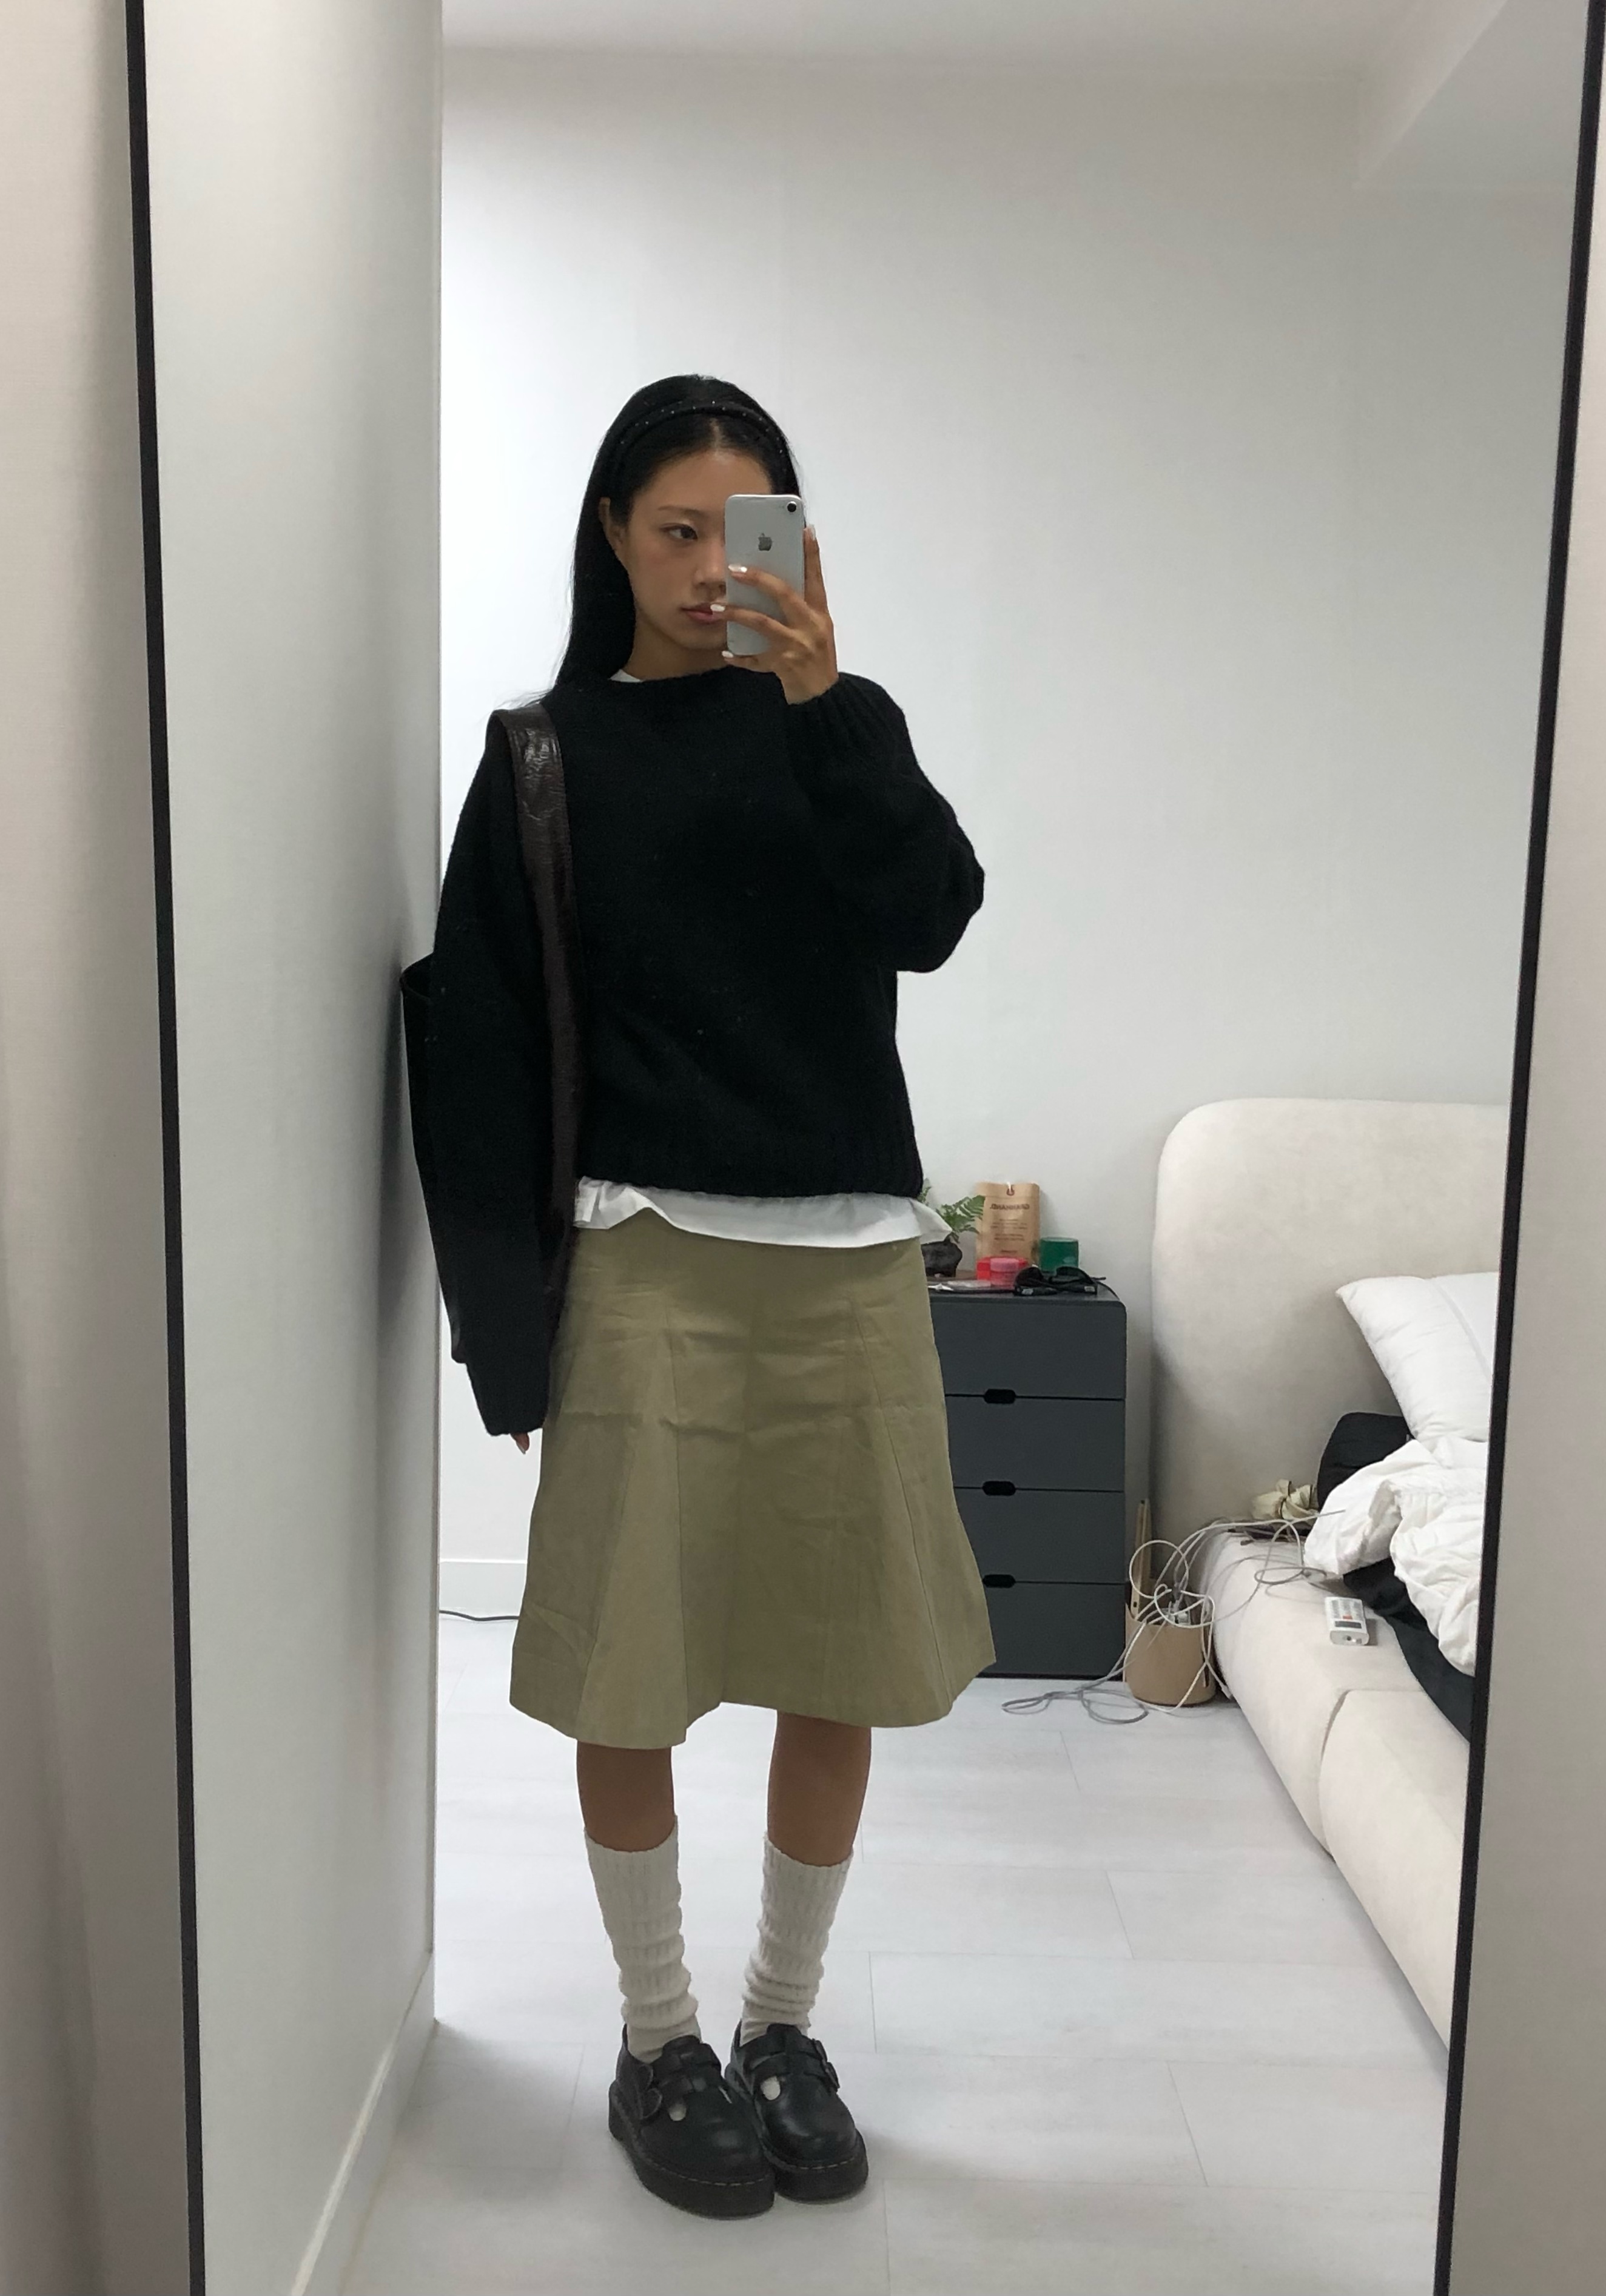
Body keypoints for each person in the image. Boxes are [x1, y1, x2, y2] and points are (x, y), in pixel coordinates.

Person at [422, 372, 993, 2219]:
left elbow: (934, 913)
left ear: (791, 550)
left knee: (843, 1659)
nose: (704, 570)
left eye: (738, 537)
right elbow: (480, 1047)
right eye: (674, 531)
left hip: (849, 1258)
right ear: (612, 531)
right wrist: (505, 1327)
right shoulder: (545, 753)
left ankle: (781, 2026)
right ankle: (659, 2037)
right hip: (649, 1255)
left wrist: (824, 705)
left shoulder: (843, 726)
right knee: (632, 1663)